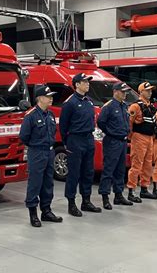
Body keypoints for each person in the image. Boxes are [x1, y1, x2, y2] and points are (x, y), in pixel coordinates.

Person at [19, 85, 63, 227]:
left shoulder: (50, 115)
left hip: (49, 152)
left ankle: (46, 211)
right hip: (37, 152)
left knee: (48, 183)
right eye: (48, 96)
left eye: (51, 96)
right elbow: (24, 137)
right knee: (35, 183)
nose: (51, 99)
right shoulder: (30, 116)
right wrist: (36, 145)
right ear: (40, 98)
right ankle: (33, 213)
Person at [60, 73, 102, 217]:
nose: (88, 84)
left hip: (88, 139)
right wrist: (67, 143)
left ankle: (86, 200)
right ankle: (71, 203)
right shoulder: (70, 103)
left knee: (88, 172)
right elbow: (63, 126)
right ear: (77, 84)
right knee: (74, 173)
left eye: (88, 82)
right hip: (75, 140)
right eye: (84, 82)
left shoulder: (89, 101)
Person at [97, 82, 134, 210]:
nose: (125, 94)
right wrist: (110, 132)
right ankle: (105, 197)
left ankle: (118, 195)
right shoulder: (108, 107)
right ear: (116, 92)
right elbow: (101, 122)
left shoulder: (124, 106)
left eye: (125, 92)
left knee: (120, 170)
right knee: (109, 169)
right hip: (112, 141)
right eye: (122, 92)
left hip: (123, 142)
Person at [126, 82, 157, 203]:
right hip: (139, 137)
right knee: (136, 165)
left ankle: (144, 189)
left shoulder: (150, 106)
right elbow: (129, 123)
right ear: (141, 92)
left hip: (149, 138)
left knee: (148, 164)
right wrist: (131, 137)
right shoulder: (135, 106)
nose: (150, 92)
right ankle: (131, 190)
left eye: (151, 90)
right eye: (148, 90)